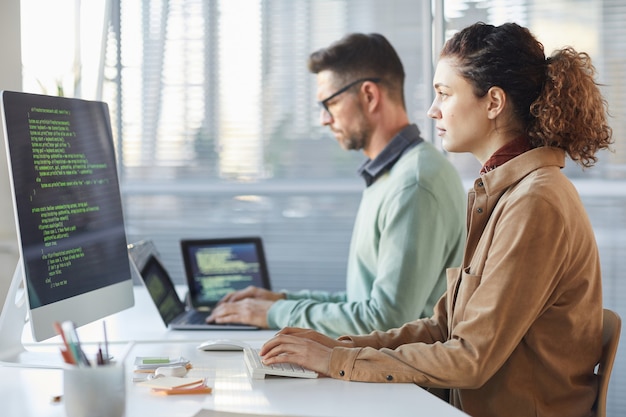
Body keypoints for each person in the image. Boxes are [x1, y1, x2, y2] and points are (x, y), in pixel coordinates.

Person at [258, 22, 613, 417]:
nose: (432, 110)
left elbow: (470, 358)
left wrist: (337, 363)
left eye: (444, 93)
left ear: (493, 103)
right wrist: (337, 348)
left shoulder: (536, 202)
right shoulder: (501, 194)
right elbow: (443, 327)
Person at [206, 33, 467, 338]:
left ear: (369, 96)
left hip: (404, 384)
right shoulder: (392, 175)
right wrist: (281, 301)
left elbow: (385, 320)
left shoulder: (414, 184)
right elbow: (365, 304)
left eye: (329, 103)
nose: (323, 119)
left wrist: (273, 314)